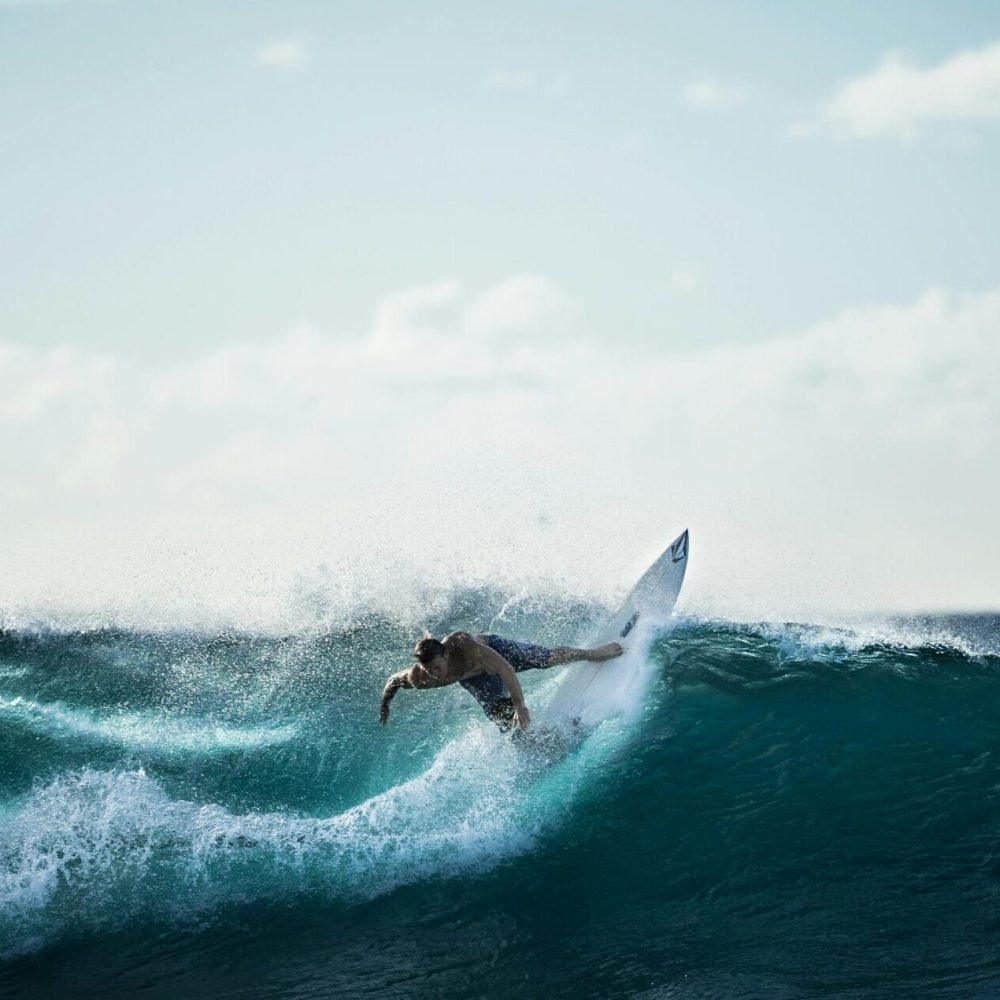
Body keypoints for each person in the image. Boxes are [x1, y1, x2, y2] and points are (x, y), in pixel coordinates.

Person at [379, 631, 624, 732]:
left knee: (544, 659)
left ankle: (592, 653)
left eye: (437, 667)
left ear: (445, 653)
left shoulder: (464, 645)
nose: (435, 674)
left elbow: (505, 669)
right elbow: (394, 681)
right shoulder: (421, 678)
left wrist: (521, 706)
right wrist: (385, 705)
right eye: (429, 670)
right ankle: (537, 742)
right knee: (501, 718)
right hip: (475, 680)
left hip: (497, 655)